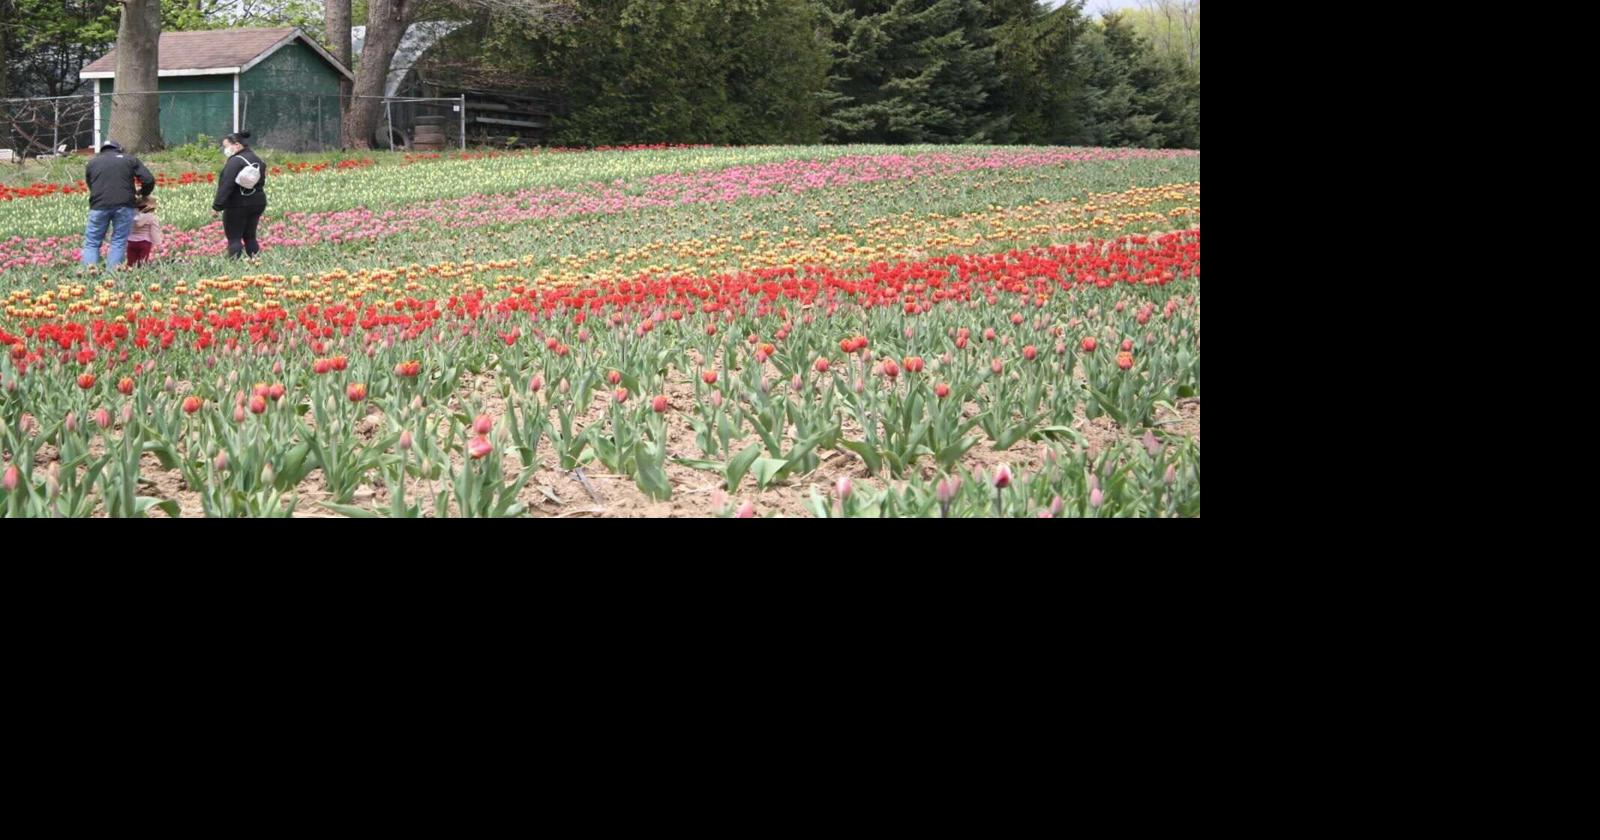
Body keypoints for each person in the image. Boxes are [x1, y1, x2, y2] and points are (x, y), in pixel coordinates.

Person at [81, 139, 155, 270]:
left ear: (102, 150)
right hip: (124, 205)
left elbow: (91, 184)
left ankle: (88, 275)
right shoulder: (129, 159)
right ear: (119, 149)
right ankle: (113, 275)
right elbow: (148, 179)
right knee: (118, 241)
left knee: (92, 242)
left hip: (99, 205)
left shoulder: (92, 163)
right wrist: (143, 193)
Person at [213, 131, 268, 259]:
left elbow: (227, 185)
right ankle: (255, 262)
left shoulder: (235, 161)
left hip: (237, 204)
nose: (225, 150)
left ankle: (235, 265)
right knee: (250, 237)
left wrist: (217, 206)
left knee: (234, 237)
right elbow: (262, 181)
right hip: (258, 202)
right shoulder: (257, 159)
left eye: (226, 146)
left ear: (237, 145)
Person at [125, 196, 162, 266]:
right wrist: (158, 244)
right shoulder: (152, 217)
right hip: (145, 242)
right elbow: (154, 232)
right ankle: (141, 275)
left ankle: (130, 275)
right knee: (142, 263)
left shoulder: (131, 216)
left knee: (131, 263)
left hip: (131, 242)